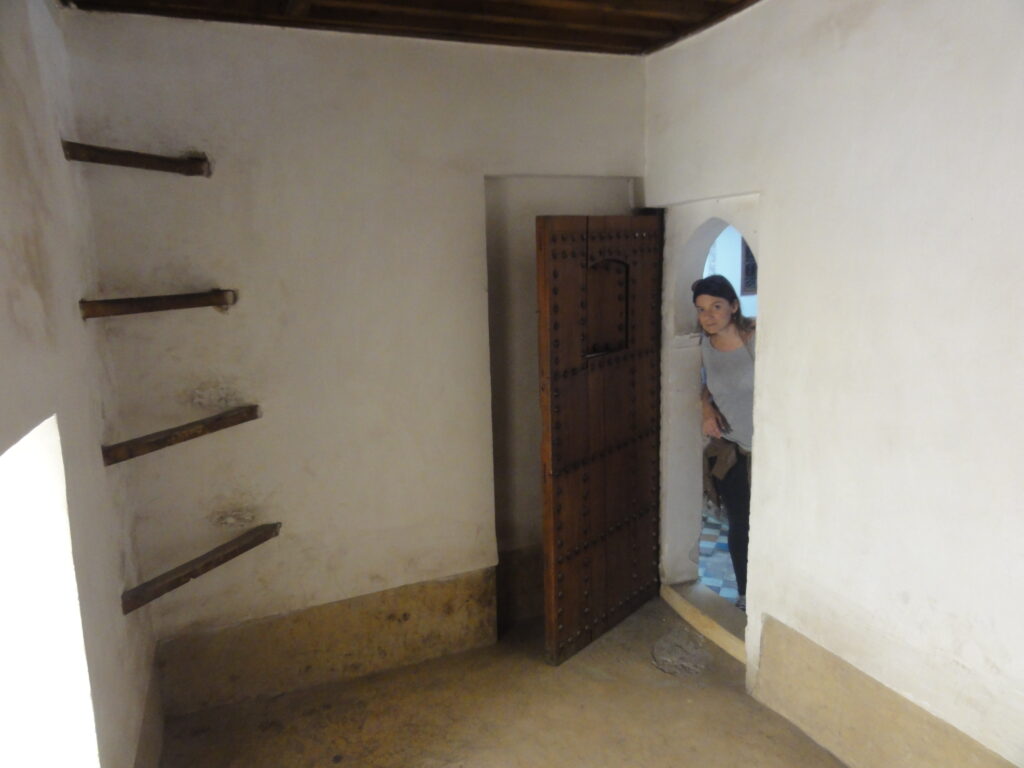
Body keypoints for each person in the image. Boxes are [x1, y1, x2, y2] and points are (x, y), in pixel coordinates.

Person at [692, 275, 755, 611]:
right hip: (732, 450)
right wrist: (706, 409)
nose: (709, 316)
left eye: (716, 306)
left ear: (733, 306)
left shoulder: (754, 339)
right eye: (702, 309)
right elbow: (706, 386)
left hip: (767, 452)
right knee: (740, 524)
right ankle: (746, 594)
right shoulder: (705, 345)